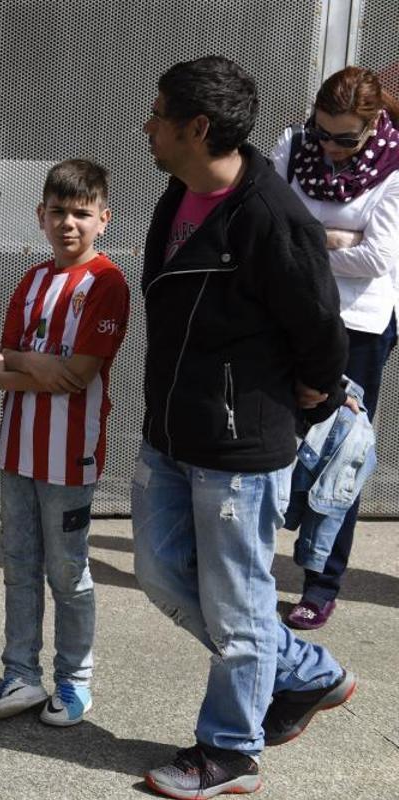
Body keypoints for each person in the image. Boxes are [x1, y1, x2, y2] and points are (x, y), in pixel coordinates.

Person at [135, 56, 356, 799]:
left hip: (239, 448)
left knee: (238, 608)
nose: (148, 126)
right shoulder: (179, 191)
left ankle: (229, 752)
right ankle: (307, 671)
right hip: (171, 431)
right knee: (162, 574)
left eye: (160, 115)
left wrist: (308, 403)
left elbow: (322, 333)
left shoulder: (269, 217)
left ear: (197, 128)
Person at [0, 159, 129, 726]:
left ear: (103, 219)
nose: (68, 223)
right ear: (40, 215)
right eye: (58, 212)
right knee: (18, 566)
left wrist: (25, 364)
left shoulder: (106, 283)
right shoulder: (31, 279)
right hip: (15, 450)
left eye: (81, 214)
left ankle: (74, 681)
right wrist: (35, 364)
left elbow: (79, 374)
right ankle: (20, 673)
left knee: (67, 572)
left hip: (70, 456)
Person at [271, 66, 399, 631]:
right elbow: (265, 220)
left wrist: (303, 238)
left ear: (372, 126)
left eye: (344, 139)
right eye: (322, 132)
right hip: (288, 311)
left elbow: (377, 259)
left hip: (359, 324)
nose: (329, 147)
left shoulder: (393, 167)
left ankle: (321, 581)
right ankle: (246, 557)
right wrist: (338, 238)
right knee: (267, 435)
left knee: (339, 451)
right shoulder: (293, 145)